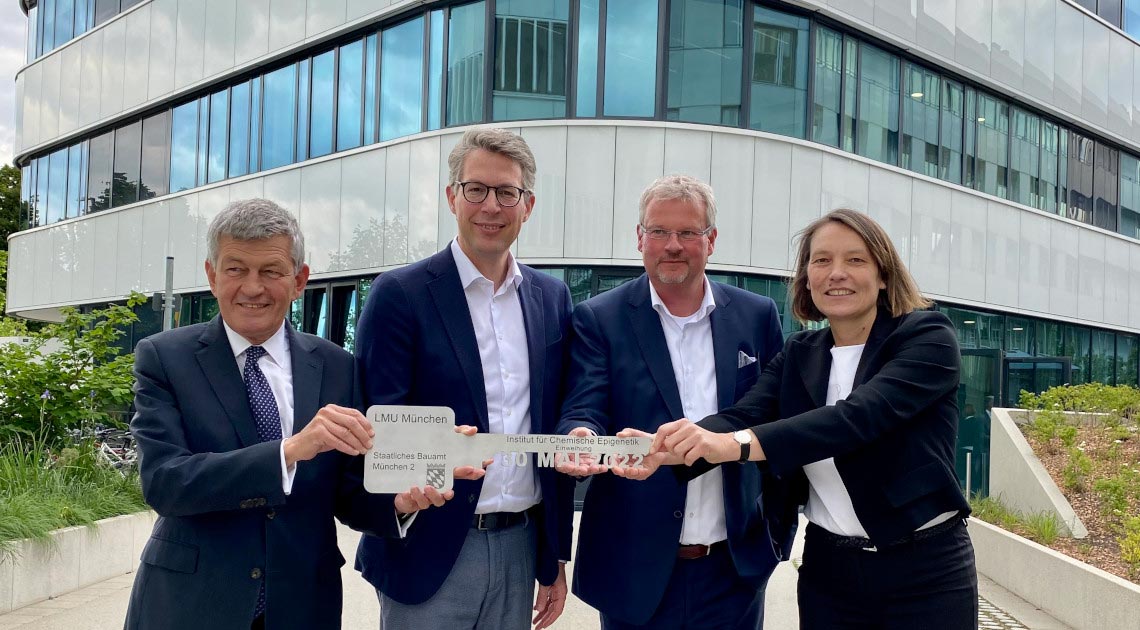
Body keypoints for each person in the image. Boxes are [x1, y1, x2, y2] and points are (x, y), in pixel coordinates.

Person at [125, 199, 482, 630]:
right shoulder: (163, 358)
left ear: (299, 281)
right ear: (211, 276)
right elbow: (166, 482)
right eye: (236, 269)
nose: (252, 288)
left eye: (271, 271)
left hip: (302, 605)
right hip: (190, 605)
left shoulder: (337, 366)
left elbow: (349, 489)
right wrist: (290, 451)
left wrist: (399, 502)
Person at [623, 208, 977, 629]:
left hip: (925, 570)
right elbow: (742, 416)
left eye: (856, 260)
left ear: (884, 274)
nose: (836, 273)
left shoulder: (927, 337)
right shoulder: (800, 353)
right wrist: (671, 447)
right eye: (822, 260)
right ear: (807, 277)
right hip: (830, 570)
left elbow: (854, 419)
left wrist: (732, 445)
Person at [353, 128, 575, 630]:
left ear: (528, 205)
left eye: (506, 192)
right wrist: (436, 453)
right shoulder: (399, 294)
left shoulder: (551, 298)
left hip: (520, 545)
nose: (490, 206)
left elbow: (552, 423)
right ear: (452, 196)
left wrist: (553, 556)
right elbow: (374, 423)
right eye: (476, 189)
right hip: (429, 547)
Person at [555, 175, 790, 629]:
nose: (673, 245)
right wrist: (580, 434)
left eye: (688, 232)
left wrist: (778, 532)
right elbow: (585, 403)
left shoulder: (756, 316)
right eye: (659, 231)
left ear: (712, 240)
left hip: (734, 570)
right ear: (639, 238)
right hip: (635, 568)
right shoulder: (599, 319)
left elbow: (776, 419)